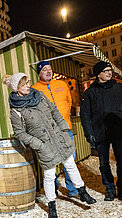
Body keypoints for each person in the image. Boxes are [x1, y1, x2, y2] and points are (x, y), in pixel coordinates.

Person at [5, 73, 96, 218]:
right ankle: (51, 204)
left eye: (28, 82)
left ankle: (83, 192)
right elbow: (20, 133)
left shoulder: (39, 96)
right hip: (44, 144)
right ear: (17, 89)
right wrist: (38, 144)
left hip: (58, 137)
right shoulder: (16, 110)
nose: (29, 85)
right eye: (24, 84)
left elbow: (54, 111)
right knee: (49, 175)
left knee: (70, 164)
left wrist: (64, 128)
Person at [80, 61, 122, 201]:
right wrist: (89, 133)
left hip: (119, 131)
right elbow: (85, 115)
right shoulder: (90, 92)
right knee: (104, 164)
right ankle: (109, 189)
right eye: (106, 70)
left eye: (110, 70)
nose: (109, 72)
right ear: (98, 74)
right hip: (100, 133)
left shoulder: (120, 89)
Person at [32, 61, 78, 198]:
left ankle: (73, 190)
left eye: (50, 69)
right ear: (39, 73)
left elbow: (68, 102)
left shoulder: (62, 85)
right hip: (47, 133)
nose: (48, 72)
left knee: (70, 159)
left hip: (65, 129)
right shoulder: (35, 90)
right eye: (44, 69)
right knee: (51, 161)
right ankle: (54, 187)